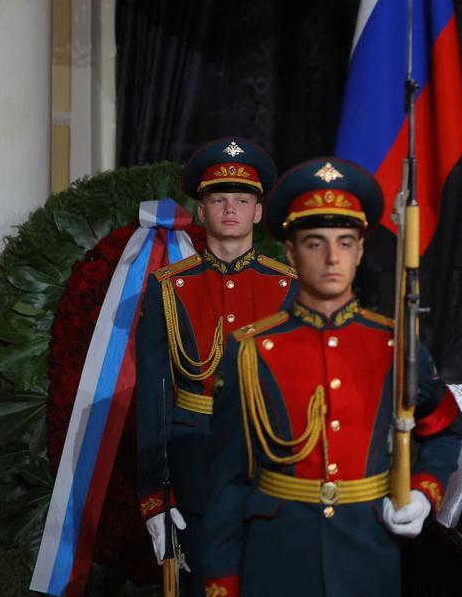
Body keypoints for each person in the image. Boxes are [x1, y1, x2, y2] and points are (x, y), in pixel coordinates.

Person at [201, 157, 462, 596]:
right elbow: (228, 483)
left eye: (344, 243)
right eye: (314, 243)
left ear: (361, 251)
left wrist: (423, 492)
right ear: (290, 251)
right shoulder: (251, 350)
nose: (331, 258)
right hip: (278, 555)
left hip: (369, 551)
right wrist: (222, 583)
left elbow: (444, 427)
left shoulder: (392, 346)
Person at [134, 137, 297, 593]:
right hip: (195, 475)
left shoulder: (289, 288)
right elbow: (154, 400)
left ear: (258, 212)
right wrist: (154, 498)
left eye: (242, 200)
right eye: (218, 199)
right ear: (201, 212)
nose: (230, 209)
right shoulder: (168, 288)